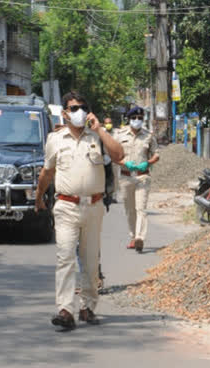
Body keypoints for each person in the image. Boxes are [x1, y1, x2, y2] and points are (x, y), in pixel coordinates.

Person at [35, 91, 124, 330]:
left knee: (91, 261)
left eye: (82, 107)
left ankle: (87, 307)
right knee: (65, 257)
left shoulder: (97, 137)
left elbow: (119, 155)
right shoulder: (56, 139)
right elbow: (47, 172)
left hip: (94, 206)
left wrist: (101, 130)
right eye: (73, 108)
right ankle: (65, 310)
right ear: (64, 113)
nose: (79, 112)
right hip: (66, 205)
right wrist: (38, 196)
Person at [113, 106, 159, 253]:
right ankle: (133, 236)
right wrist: (124, 163)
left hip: (142, 176)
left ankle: (140, 237)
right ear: (129, 119)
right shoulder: (119, 135)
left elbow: (156, 154)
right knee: (130, 210)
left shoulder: (149, 135)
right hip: (126, 177)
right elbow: (113, 156)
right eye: (134, 118)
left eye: (140, 118)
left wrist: (149, 162)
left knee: (141, 209)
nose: (137, 121)